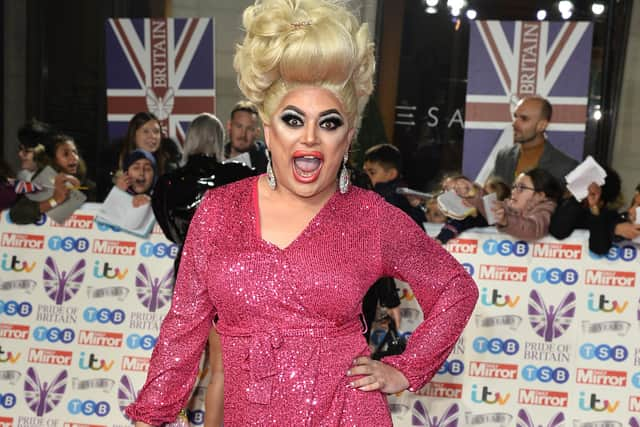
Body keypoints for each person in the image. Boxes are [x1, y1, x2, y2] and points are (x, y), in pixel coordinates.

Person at [126, 1, 478, 425]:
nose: (310, 137)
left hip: (345, 413)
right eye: (294, 120)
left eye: (329, 124)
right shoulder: (220, 210)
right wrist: (152, 416)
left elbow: (455, 288)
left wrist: (405, 367)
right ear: (269, 131)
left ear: (347, 138)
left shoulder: (370, 217)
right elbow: (183, 325)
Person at [151, 112, 255, 427]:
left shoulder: (168, 182)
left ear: (190, 138)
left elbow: (170, 231)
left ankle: (164, 418)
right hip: (228, 276)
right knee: (221, 367)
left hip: (188, 273)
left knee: (179, 359)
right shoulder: (238, 174)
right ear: (218, 137)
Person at [491, 95, 578, 187]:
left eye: (524, 119)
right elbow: (495, 195)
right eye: (515, 116)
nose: (514, 123)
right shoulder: (504, 156)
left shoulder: (565, 166)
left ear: (542, 125)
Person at [10, 133, 96, 224]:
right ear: (52, 159)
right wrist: (55, 200)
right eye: (66, 154)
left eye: (75, 152)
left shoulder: (88, 186)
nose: (74, 158)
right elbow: (17, 214)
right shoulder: (41, 182)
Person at [97, 112, 180, 200]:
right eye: (146, 131)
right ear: (134, 134)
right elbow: (102, 199)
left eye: (156, 132)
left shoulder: (169, 165)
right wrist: (117, 191)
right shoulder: (113, 162)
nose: (152, 136)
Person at [549, 167, 627, 254]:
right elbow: (557, 231)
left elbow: (599, 248)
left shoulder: (610, 215)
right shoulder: (571, 203)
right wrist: (577, 198)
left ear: (602, 201)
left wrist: (594, 208)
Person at [492, 168, 561, 241]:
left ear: (540, 195)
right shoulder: (512, 204)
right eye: (514, 187)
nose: (513, 192)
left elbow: (533, 229)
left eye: (521, 188)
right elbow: (491, 209)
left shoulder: (547, 208)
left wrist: (506, 220)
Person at [224, 100, 268, 173]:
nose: (243, 134)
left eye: (249, 129)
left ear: (257, 132)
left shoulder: (268, 161)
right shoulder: (216, 158)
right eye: (239, 126)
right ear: (229, 126)